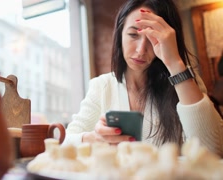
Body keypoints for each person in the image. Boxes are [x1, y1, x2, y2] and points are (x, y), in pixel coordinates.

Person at [63, 0, 223, 157]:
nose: (141, 50)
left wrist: (175, 62)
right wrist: (94, 138)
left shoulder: (185, 81)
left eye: (153, 39)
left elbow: (213, 151)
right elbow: (66, 143)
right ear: (119, 35)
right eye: (133, 35)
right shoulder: (102, 86)